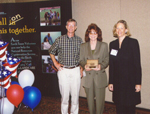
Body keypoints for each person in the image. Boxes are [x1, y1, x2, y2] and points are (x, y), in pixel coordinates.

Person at [48, 19, 83, 114]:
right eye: (69, 25)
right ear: (66, 26)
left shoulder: (79, 40)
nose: (71, 27)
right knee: (65, 97)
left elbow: (82, 56)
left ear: (75, 27)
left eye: (73, 25)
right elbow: (51, 51)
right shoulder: (60, 39)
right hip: (63, 71)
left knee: (75, 97)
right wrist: (55, 63)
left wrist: (81, 68)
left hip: (75, 70)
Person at [108, 20, 142, 114]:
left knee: (129, 107)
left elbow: (137, 64)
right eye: (117, 28)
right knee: (119, 107)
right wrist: (111, 82)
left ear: (126, 30)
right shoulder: (112, 44)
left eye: (121, 28)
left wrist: (138, 83)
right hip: (117, 82)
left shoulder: (133, 43)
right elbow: (112, 65)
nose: (119, 30)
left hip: (130, 82)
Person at [79, 23, 109, 114]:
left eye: (95, 33)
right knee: (90, 102)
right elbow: (81, 60)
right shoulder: (83, 46)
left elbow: (107, 59)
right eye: (91, 33)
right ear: (88, 34)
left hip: (99, 76)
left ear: (98, 34)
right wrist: (85, 66)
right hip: (88, 77)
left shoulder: (104, 45)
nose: (93, 35)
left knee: (100, 103)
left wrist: (101, 66)